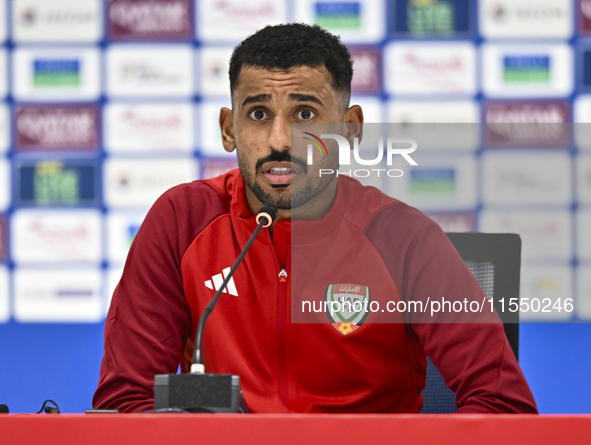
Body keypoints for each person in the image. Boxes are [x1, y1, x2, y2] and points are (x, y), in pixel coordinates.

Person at [93, 23, 537, 413]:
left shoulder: (402, 237)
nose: (280, 140)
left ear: (350, 128)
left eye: (305, 114)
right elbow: (124, 400)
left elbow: (502, 403)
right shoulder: (182, 221)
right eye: (258, 114)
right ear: (229, 129)